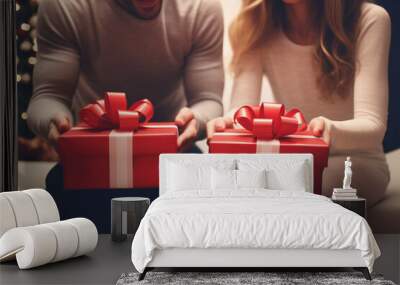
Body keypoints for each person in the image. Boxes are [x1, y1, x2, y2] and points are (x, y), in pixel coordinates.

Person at [27, 0, 224, 232]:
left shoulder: (202, 7)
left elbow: (208, 100)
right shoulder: (65, 5)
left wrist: (198, 120)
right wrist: (54, 121)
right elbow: (47, 96)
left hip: (175, 154)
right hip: (93, 161)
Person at [207, 0, 390, 207]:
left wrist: (326, 132)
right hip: (293, 162)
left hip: (354, 161)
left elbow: (373, 126)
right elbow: (241, 111)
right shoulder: (255, 24)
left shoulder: (370, 18)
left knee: (278, 190)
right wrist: (227, 124)